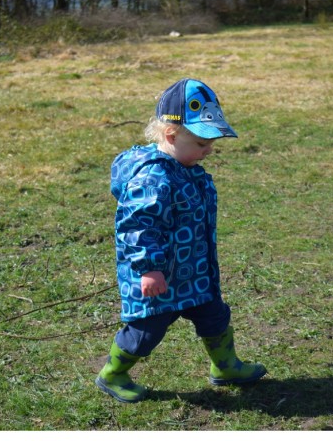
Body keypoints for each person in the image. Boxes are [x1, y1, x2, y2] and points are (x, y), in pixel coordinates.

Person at [95, 79, 267, 403]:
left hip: (194, 272)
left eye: (211, 142)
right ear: (171, 136)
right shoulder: (153, 178)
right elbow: (136, 226)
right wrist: (149, 269)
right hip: (158, 279)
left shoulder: (184, 166)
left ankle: (226, 365)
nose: (209, 149)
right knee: (146, 333)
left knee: (215, 315)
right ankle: (113, 373)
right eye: (202, 142)